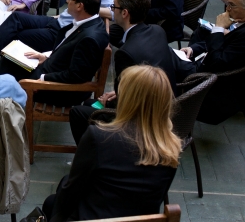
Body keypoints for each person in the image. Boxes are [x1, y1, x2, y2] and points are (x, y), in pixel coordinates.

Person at [41, 65, 181, 222]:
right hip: (140, 218)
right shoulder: (171, 146)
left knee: (54, 200)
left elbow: (71, 192)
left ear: (128, 99)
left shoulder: (99, 137)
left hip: (94, 217)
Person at [69, 0, 178, 144]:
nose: (112, 10)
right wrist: (118, 92)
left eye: (114, 7)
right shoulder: (157, 31)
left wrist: (111, 100)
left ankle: (96, 158)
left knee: (79, 112)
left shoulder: (125, 53)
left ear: (125, 13)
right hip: (162, 106)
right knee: (90, 103)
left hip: (140, 120)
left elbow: (124, 106)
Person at [0, 0, 109, 106]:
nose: (67, 1)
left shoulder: (89, 38)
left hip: (55, 89)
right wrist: (46, 56)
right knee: (9, 59)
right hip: (49, 68)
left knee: (4, 79)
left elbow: (75, 76)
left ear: (79, 6)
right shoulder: (87, 23)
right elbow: (69, 55)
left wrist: (43, 79)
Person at [181, 0, 245, 124]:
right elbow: (225, 42)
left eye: (232, 5)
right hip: (208, 70)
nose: (227, 9)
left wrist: (218, 28)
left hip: (210, 88)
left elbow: (216, 62)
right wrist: (194, 49)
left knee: (160, 69)